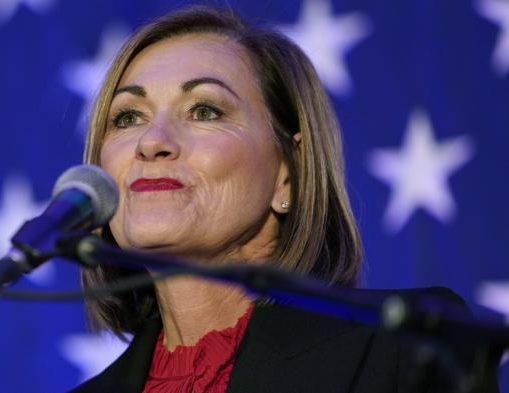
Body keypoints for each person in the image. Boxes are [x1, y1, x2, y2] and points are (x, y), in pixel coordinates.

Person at [70, 6, 500, 393]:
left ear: (287, 177)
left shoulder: (404, 350)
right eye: (128, 117)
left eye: (204, 111)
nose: (152, 142)